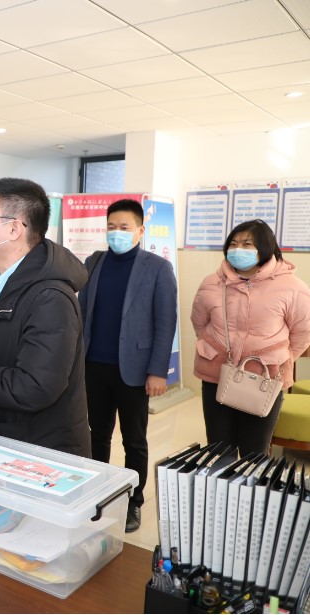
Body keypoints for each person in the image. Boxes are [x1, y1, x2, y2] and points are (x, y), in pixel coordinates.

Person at [0, 177, 91, 457]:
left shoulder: (50, 298)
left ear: (13, 229)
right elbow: (6, 343)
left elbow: (35, 386)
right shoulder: (7, 282)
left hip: (35, 453)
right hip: (6, 438)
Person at [78, 198, 178, 533]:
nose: (116, 233)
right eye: (111, 227)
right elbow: (82, 311)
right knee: (97, 435)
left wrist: (157, 371)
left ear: (140, 230)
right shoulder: (94, 261)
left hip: (135, 369)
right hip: (94, 365)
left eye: (124, 227)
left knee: (134, 440)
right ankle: (97, 495)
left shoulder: (157, 267)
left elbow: (165, 322)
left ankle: (134, 501)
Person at [191, 219, 310, 456]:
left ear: (265, 247)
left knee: (254, 453)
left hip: (265, 378)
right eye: (233, 244)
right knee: (218, 449)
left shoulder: (292, 287)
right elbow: (199, 323)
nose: (238, 250)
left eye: (247, 244)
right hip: (217, 374)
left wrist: (280, 358)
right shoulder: (212, 282)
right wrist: (217, 348)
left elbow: (303, 333)